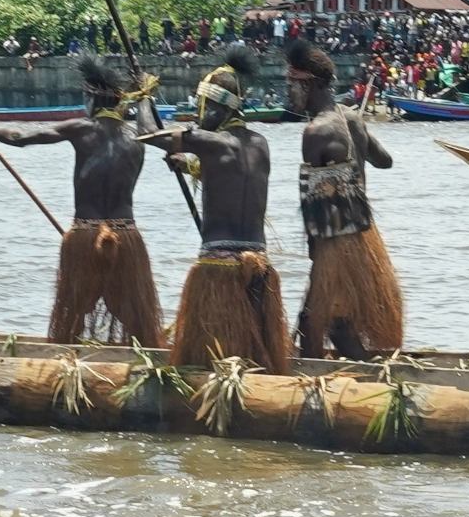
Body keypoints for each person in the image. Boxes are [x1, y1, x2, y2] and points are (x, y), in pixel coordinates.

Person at [0, 54, 164, 346]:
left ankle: (65, 354)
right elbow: (154, 131)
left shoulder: (81, 128)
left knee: (74, 311)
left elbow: (18, 136)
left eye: (85, 98)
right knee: (133, 315)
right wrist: (144, 98)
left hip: (84, 236)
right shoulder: (139, 137)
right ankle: (148, 350)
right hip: (126, 236)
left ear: (93, 99)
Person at [145, 50, 290, 368]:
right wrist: (188, 164)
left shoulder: (210, 141)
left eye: (207, 106)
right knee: (256, 352)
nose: (201, 113)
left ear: (225, 107)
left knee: (207, 355)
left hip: (218, 268)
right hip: (259, 266)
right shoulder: (260, 144)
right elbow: (228, 168)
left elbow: (149, 135)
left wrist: (143, 97)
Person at [285, 39, 404, 360]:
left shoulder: (316, 132)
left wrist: (317, 257)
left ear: (310, 84)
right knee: (336, 323)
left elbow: (313, 206)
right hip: (363, 235)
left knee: (313, 323)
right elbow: (386, 160)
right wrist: (359, 139)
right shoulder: (351, 119)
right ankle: (367, 372)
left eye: (291, 84)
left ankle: (313, 389)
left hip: (335, 241)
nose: (287, 93)